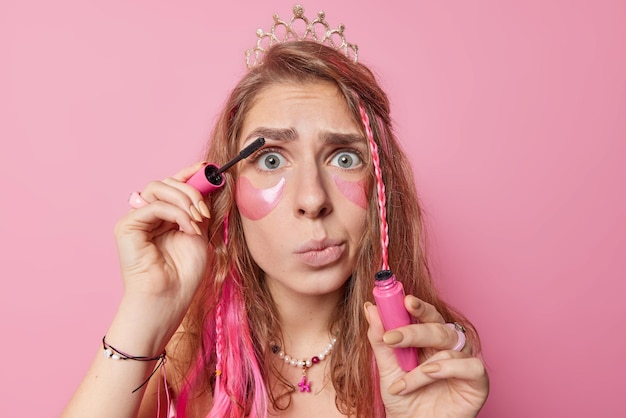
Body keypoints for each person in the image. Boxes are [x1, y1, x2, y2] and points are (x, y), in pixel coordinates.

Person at [62, 5, 489, 418]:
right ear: (225, 192)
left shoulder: (429, 356)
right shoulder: (183, 355)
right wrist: (147, 305)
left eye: (343, 158)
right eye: (270, 160)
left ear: (381, 186)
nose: (312, 199)